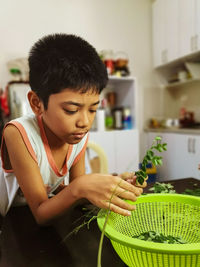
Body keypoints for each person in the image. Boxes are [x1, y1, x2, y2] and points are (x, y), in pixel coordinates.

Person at [0, 33, 145, 225]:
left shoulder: (77, 136)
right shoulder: (18, 133)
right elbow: (41, 214)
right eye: (71, 110)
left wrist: (113, 184)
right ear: (37, 103)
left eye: (93, 109)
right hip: (12, 225)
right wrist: (81, 186)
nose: (85, 122)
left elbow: (78, 196)